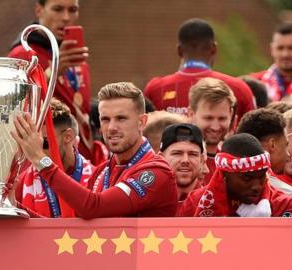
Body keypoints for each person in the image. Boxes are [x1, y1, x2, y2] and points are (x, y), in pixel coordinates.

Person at [11, 82, 178, 218]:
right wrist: (13, 206)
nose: (112, 127)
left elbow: (94, 206)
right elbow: (69, 230)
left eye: (121, 119)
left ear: (142, 122)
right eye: (105, 119)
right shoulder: (101, 173)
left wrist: (41, 159)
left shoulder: (156, 172)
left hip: (144, 260)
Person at [8, 0, 106, 166]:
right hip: (44, 159)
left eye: (73, 10)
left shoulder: (76, 60)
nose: (66, 17)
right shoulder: (23, 54)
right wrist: (52, 72)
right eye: (58, 9)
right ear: (39, 10)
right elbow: (13, 103)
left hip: (80, 159)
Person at [144, 18, 255, 124]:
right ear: (214, 48)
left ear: (179, 50)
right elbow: (252, 136)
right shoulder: (239, 88)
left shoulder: (155, 89)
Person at [178, 133, 292, 217]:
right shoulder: (195, 203)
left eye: (261, 176)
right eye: (247, 178)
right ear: (224, 175)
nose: (257, 186)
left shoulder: (285, 205)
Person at [14, 99, 95, 217]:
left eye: (45, 143)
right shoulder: (21, 183)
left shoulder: (96, 177)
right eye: (32, 144)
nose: (36, 151)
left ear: (68, 136)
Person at [188, 77, 236, 186]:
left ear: (231, 115)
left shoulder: (234, 161)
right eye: (208, 118)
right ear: (191, 114)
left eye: (222, 119)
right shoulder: (181, 161)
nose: (215, 127)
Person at [236, 108, 292, 195]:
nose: (288, 155)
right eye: (285, 145)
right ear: (272, 144)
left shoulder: (232, 181)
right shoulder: (287, 196)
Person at [159, 123, 205, 201]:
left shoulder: (212, 202)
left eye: (192, 154)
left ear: (201, 160)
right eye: (177, 153)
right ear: (161, 158)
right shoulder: (147, 201)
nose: (185, 160)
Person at [251, 24, 292, 101]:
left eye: (291, 48)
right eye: (280, 48)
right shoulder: (254, 83)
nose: (285, 54)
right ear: (272, 49)